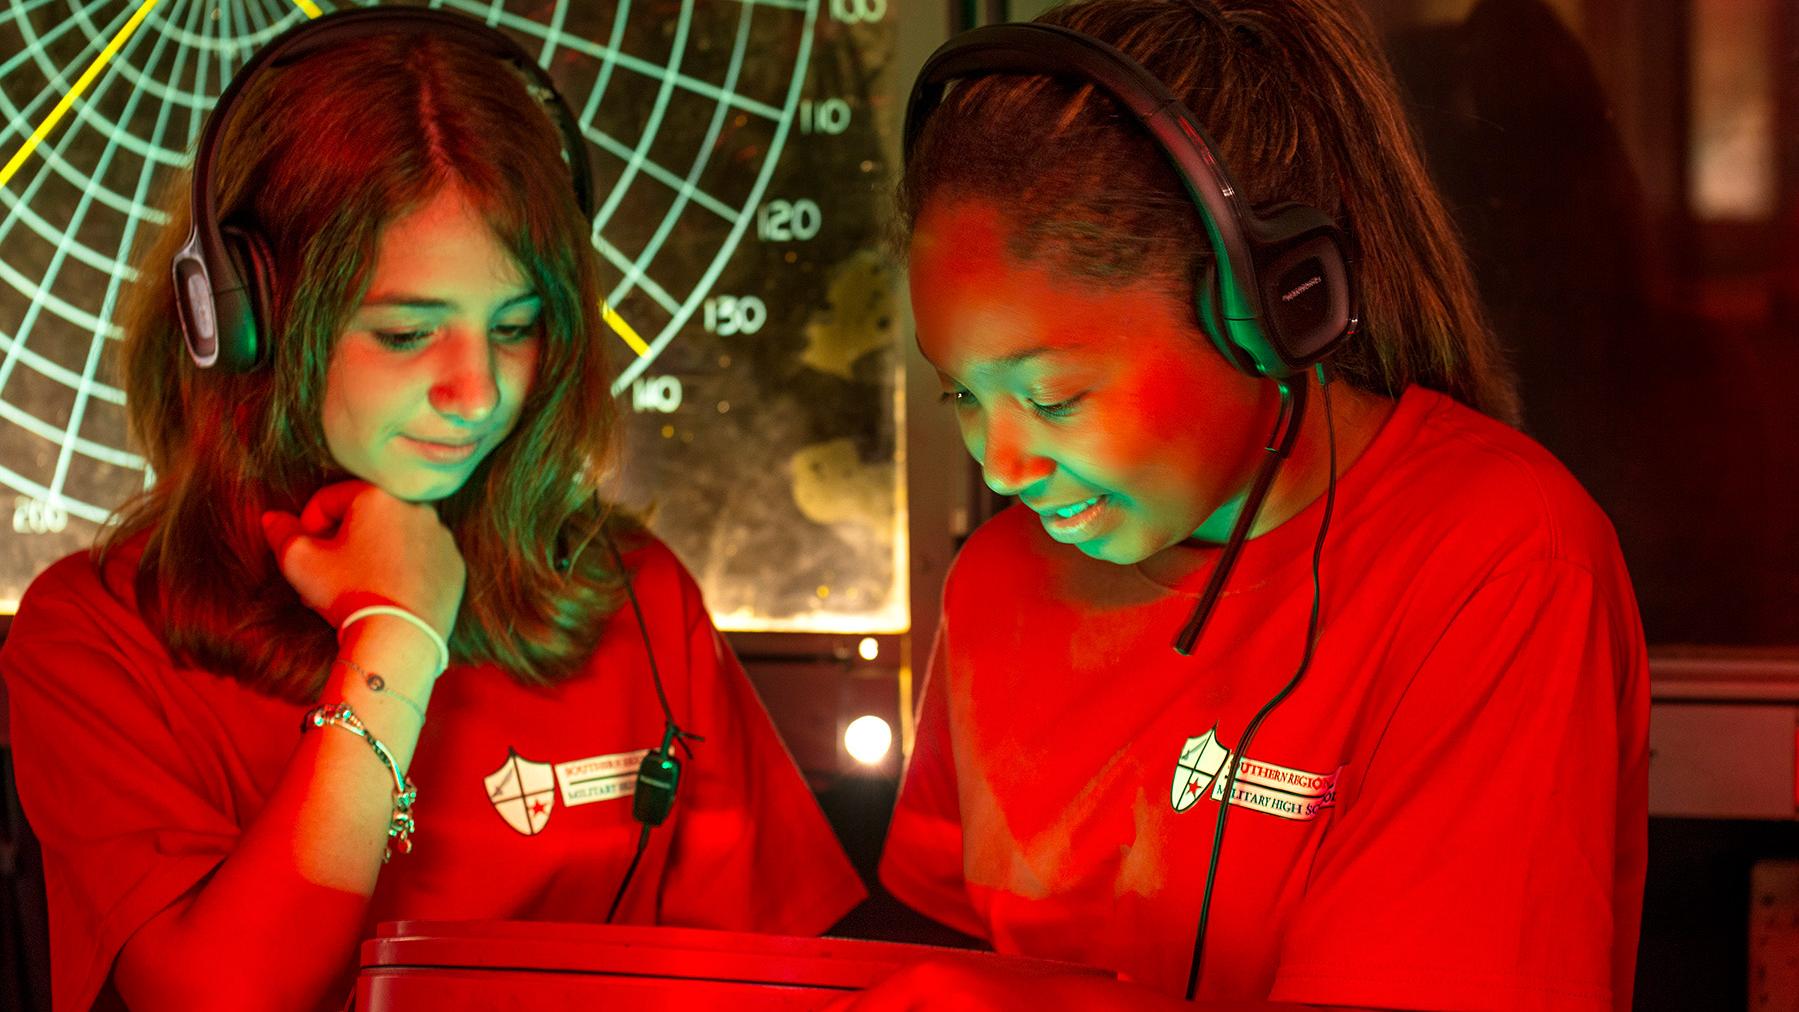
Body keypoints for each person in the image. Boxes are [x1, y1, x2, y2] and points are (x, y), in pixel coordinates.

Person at [0, 11, 863, 1010]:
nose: (478, 390)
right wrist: (394, 646)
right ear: (244, 321)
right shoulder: (96, 639)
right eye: (408, 332)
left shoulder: (633, 594)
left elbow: (781, 981)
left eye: (516, 326)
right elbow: (224, 998)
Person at [860, 1, 1649, 1009]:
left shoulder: (1499, 563)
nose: (1001, 461)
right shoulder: (995, 581)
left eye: (1053, 394)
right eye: (961, 394)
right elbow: (938, 946)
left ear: (1264, 310)